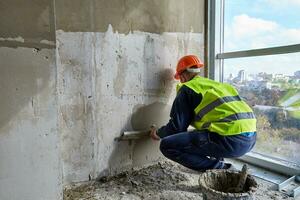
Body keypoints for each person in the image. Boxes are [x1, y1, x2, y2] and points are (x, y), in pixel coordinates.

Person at [150, 55, 256, 171]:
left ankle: (221, 169)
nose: (180, 81)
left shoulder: (187, 88)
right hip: (250, 139)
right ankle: (218, 162)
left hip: (231, 141)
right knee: (205, 132)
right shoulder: (216, 85)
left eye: (179, 78)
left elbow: (176, 128)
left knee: (167, 145)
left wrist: (157, 133)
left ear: (183, 75)